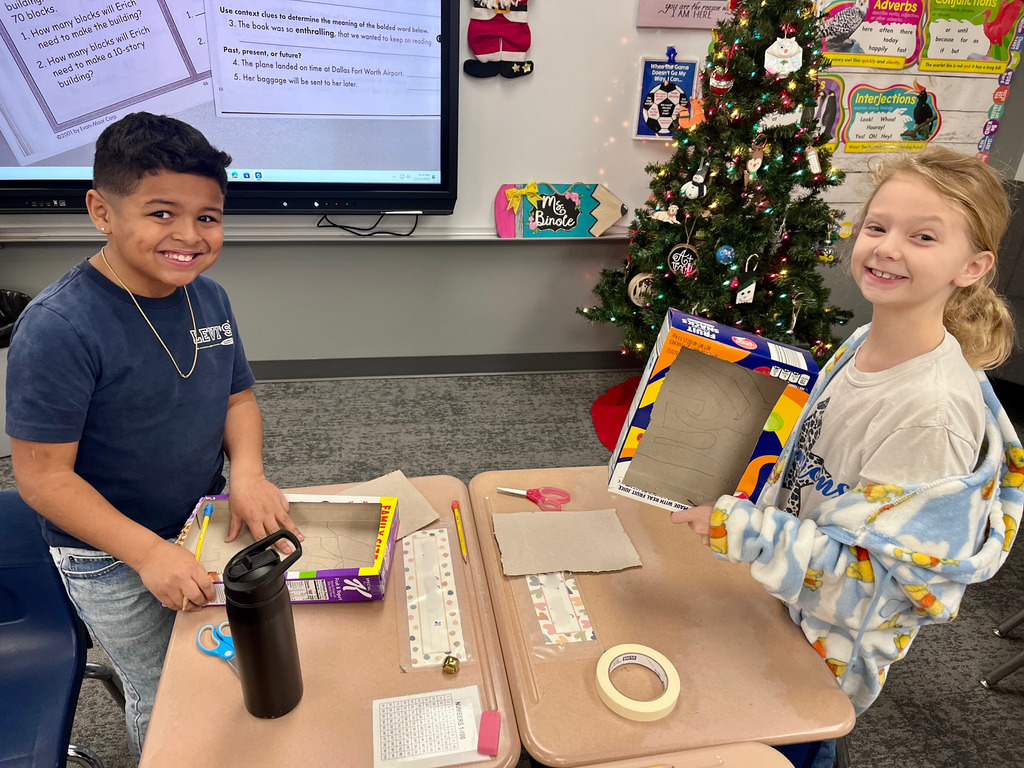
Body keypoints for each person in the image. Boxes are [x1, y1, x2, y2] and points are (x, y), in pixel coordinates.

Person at [671, 146, 1023, 767]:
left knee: (782, 749)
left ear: (972, 266)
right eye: (877, 226)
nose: (887, 247)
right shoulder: (864, 339)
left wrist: (743, 529)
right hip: (780, 594)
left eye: (922, 236)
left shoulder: (931, 416)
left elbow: (877, 588)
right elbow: (816, 457)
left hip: (821, 651)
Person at [5, 112, 304, 765]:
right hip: (107, 555)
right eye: (162, 213)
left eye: (208, 217)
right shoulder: (58, 327)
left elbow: (238, 397)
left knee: (216, 658)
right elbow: (42, 478)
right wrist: (146, 552)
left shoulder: (211, 298)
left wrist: (247, 473)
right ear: (101, 212)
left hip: (199, 520)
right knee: (165, 690)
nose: (189, 237)